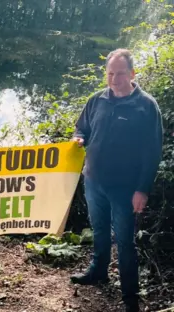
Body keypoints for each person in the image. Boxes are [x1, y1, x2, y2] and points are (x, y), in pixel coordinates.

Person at [71, 48, 163, 312]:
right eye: (110, 74)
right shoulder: (96, 100)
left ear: (133, 73)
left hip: (125, 188)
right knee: (99, 230)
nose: (114, 79)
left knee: (124, 241)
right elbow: (82, 128)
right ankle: (98, 272)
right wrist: (79, 138)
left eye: (120, 74)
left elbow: (152, 152)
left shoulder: (146, 105)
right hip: (93, 181)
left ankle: (130, 296)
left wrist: (142, 190)